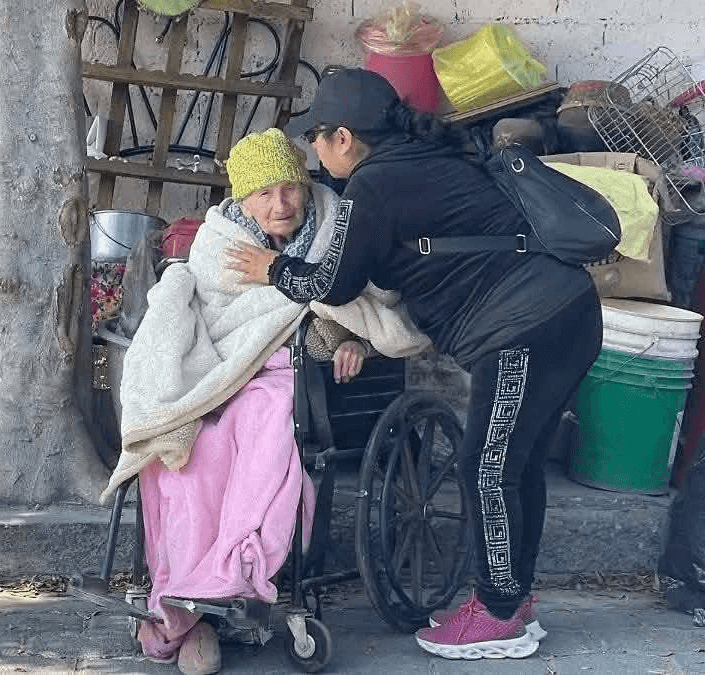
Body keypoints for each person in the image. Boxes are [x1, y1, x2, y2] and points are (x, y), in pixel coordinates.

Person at [226, 68, 603, 661]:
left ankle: (498, 614)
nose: (315, 154)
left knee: (487, 468)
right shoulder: (427, 154)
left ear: (343, 138)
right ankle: (511, 602)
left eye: (316, 139)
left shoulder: (373, 185)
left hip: (524, 329)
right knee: (517, 464)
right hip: (567, 314)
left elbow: (334, 283)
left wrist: (272, 269)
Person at [100, 128, 430, 675]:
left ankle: (231, 576)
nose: (281, 204)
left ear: (304, 184)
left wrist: (354, 339)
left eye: (290, 188)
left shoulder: (336, 230)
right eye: (264, 194)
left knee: (263, 422)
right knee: (184, 455)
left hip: (287, 377)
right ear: (242, 198)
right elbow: (214, 318)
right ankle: (188, 606)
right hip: (219, 372)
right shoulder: (220, 243)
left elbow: (364, 300)